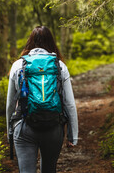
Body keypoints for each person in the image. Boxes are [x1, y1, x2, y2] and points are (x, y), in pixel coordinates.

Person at [6, 26, 78, 173]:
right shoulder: (59, 65)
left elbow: (10, 104)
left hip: (24, 126)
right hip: (53, 127)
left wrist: (10, 131)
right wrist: (73, 135)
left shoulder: (18, 65)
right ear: (51, 43)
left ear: (30, 42)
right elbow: (69, 104)